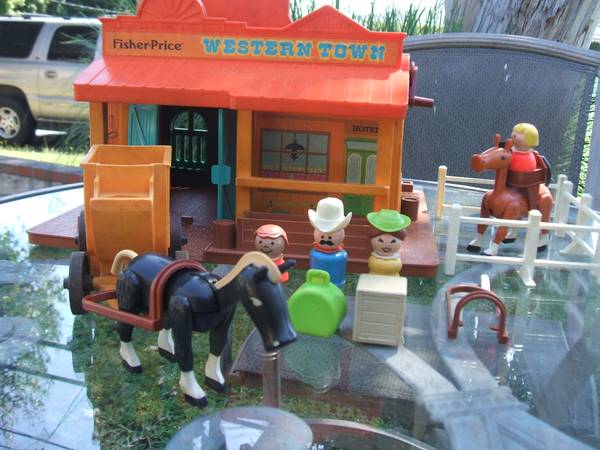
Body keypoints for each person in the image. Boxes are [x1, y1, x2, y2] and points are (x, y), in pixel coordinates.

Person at [308, 197, 352, 288]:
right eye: (322, 235)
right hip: (316, 286)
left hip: (336, 287)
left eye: (330, 235)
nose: (326, 240)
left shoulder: (341, 255)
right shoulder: (315, 253)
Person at [366, 209, 411, 276]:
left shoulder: (396, 260)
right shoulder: (374, 258)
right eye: (380, 240)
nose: (386, 245)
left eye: (393, 241)